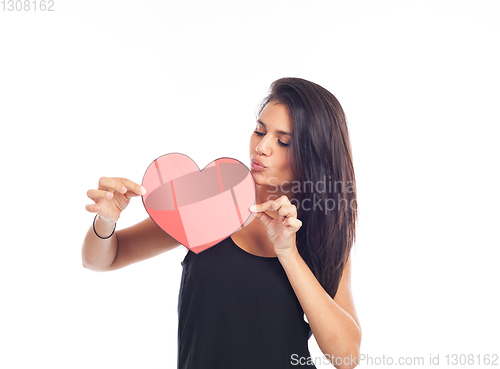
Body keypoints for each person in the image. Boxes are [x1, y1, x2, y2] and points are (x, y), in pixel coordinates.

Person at [82, 77, 361, 369]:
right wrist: (106, 220)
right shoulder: (209, 200)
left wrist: (289, 254)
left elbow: (346, 356)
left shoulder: (322, 233)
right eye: (259, 131)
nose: (262, 147)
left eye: (283, 141)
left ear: (315, 154)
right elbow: (101, 260)